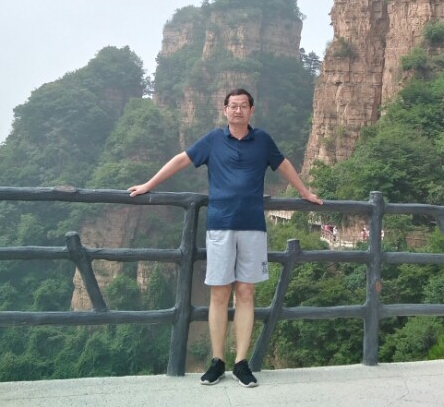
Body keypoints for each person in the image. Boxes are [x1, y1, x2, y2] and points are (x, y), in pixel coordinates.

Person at [128, 88, 322, 388]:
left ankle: (241, 362)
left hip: (253, 226)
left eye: (243, 106)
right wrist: (148, 184)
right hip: (220, 225)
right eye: (233, 106)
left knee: (245, 292)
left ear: (251, 110)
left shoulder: (263, 140)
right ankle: (217, 361)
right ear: (225, 109)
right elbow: (181, 160)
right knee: (219, 292)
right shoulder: (213, 140)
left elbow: (283, 164)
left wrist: (304, 192)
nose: (238, 110)